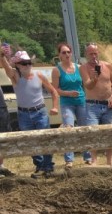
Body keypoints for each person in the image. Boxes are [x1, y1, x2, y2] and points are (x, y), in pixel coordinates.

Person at [0, 49, 59, 177]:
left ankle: (48, 167)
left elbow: (53, 91)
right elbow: (6, 67)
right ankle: (40, 166)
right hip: (24, 114)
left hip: (40, 111)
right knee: (30, 141)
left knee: (45, 139)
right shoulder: (15, 76)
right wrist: (2, 55)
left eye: (29, 62)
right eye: (24, 63)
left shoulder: (39, 75)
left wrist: (55, 107)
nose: (27, 65)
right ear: (18, 65)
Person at [80, 42, 112, 168]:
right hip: (92, 105)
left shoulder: (107, 65)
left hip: (108, 104)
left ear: (99, 53)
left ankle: (109, 161)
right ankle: (94, 161)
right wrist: (94, 78)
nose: (93, 56)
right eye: (90, 53)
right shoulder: (83, 68)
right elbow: (88, 85)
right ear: (86, 54)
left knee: (109, 133)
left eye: (95, 53)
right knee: (93, 132)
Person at [52, 42, 90, 168]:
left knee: (84, 129)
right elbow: (55, 89)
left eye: (69, 52)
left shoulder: (79, 67)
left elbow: (86, 84)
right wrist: (67, 93)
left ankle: (88, 157)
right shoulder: (56, 70)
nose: (67, 54)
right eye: (64, 52)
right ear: (59, 55)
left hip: (81, 101)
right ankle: (69, 160)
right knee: (69, 128)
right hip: (67, 102)